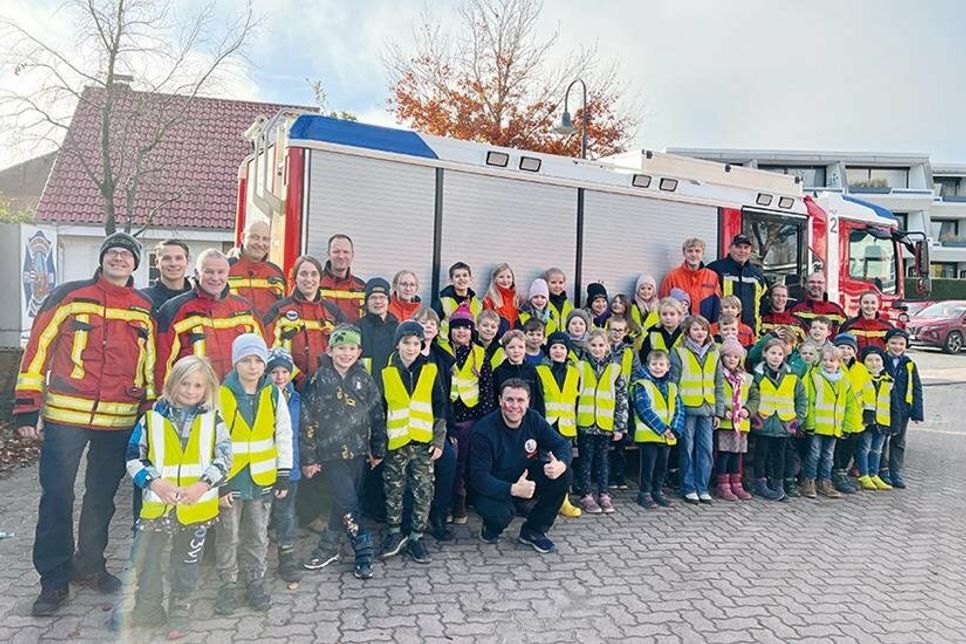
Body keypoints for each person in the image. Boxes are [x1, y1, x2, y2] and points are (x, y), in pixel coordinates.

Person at [16, 232, 155, 617]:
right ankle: (54, 580)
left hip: (120, 418)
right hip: (66, 417)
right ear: (102, 259)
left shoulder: (143, 307)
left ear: (135, 265)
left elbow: (152, 366)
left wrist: (150, 412)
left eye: (127, 256)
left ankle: (90, 566)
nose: (119, 259)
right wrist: (28, 407)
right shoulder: (69, 295)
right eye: (113, 253)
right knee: (57, 496)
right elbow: (37, 349)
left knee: (102, 497)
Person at [116, 356, 230, 638]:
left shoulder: (213, 418)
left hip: (196, 507)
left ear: (207, 388)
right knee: (147, 560)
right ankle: (148, 608)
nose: (191, 391)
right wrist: (153, 483)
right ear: (172, 384)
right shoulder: (151, 418)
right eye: (185, 384)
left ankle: (180, 610)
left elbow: (225, 457)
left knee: (186, 563)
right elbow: (134, 457)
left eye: (198, 386)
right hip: (158, 507)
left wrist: (203, 486)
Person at [214, 334, 293, 615]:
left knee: (258, 535)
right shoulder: (221, 394)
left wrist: (283, 473)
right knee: (228, 535)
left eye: (258, 360)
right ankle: (227, 584)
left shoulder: (273, 393)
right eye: (246, 360)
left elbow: (283, 433)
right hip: (231, 481)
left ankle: (255, 581)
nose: (252, 366)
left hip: (261, 479)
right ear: (236, 362)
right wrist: (219, 484)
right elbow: (211, 439)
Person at [299, 325, 386, 579]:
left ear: (359, 352)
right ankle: (363, 551)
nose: (345, 353)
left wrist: (377, 448)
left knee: (343, 503)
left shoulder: (365, 380)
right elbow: (307, 421)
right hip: (331, 454)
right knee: (347, 501)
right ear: (330, 350)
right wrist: (309, 457)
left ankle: (328, 547)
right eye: (340, 348)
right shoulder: (318, 379)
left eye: (350, 349)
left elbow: (376, 415)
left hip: (359, 452)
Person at [470, 379, 574, 553]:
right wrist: (512, 489)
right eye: (509, 400)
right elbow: (478, 478)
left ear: (528, 402)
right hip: (493, 486)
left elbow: (562, 445)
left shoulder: (533, 418)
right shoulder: (484, 430)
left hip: (525, 478)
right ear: (500, 401)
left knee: (565, 475)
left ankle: (533, 531)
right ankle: (491, 528)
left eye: (520, 400)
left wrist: (560, 465)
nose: (514, 406)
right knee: (501, 514)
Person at [378, 321, 447, 564]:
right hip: (395, 444)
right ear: (397, 344)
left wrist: (439, 439)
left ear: (422, 345)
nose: (411, 348)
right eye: (406, 343)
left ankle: (417, 537)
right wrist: (378, 444)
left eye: (416, 343)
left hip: (422, 444)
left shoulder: (430, 371)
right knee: (393, 490)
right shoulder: (386, 373)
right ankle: (395, 534)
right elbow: (379, 411)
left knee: (423, 491)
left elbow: (440, 407)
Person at [156, 249, 262, 383]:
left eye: (221, 272)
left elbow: (261, 356)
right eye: (209, 272)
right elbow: (163, 364)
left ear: (228, 273)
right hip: (192, 396)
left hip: (237, 397)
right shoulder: (176, 309)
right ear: (196, 273)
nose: (215, 278)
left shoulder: (245, 308)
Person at [411, 307, 460, 540]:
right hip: (411, 426)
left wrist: (448, 430)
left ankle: (438, 514)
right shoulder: (407, 354)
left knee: (448, 464)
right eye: (423, 322)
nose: (428, 326)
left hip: (437, 425)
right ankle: (411, 517)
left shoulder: (442, 357)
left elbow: (446, 398)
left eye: (433, 322)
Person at [263, 255, 345, 386]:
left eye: (314, 274)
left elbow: (345, 350)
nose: (309, 279)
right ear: (295, 278)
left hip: (326, 387)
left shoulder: (334, 313)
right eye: (303, 274)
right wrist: (298, 378)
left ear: (320, 279)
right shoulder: (279, 310)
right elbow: (267, 348)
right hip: (288, 385)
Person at [446, 304, 493, 525]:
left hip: (472, 417)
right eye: (457, 328)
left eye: (465, 328)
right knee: (449, 463)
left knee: (465, 462)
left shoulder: (481, 354)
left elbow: (486, 387)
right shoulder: (443, 351)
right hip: (450, 416)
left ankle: (460, 501)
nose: (461, 332)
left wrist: (484, 420)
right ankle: (447, 502)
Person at [670, 315, 724, 504]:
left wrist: (719, 411)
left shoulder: (714, 352)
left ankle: (702, 487)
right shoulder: (678, 352)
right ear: (687, 332)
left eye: (703, 329)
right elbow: (673, 383)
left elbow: (719, 383)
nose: (700, 333)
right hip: (687, 407)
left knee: (706, 449)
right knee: (687, 448)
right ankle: (688, 486)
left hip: (708, 408)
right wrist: (674, 410)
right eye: (695, 329)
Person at [574, 328, 628, 514]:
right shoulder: (580, 366)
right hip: (585, 422)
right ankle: (586, 494)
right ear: (588, 346)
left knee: (603, 459)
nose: (597, 349)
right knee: (585, 459)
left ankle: (603, 493)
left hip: (605, 422)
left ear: (608, 347)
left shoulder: (616, 368)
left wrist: (619, 426)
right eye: (594, 345)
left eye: (601, 345)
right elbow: (573, 396)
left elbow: (622, 398)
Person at [749, 338, 807, 501]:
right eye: (772, 353)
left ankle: (778, 484)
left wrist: (798, 420)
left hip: (784, 423)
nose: (776, 357)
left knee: (779, 456)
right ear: (764, 354)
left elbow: (802, 399)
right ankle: (760, 484)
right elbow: (752, 396)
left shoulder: (792, 377)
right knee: (761, 454)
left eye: (780, 354)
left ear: (784, 357)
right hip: (763, 422)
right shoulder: (757, 376)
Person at [265, 348, 303, 585]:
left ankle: (286, 558)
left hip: (290, 468)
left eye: (284, 371)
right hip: (263, 468)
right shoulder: (261, 397)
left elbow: (301, 434)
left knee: (286, 514)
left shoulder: (297, 399)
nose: (280, 377)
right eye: (274, 371)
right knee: (260, 517)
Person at [535, 332, 582, 518]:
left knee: (564, 464)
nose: (558, 351)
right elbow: (538, 400)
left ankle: (564, 500)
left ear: (568, 351)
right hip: (548, 426)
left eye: (562, 348)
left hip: (567, 426)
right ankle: (550, 500)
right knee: (546, 464)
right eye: (554, 347)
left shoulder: (575, 372)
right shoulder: (540, 371)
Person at [632, 349, 684, 510]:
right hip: (649, 434)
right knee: (648, 465)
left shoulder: (672, 387)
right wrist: (662, 429)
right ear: (648, 366)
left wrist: (674, 429)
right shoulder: (641, 385)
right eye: (654, 364)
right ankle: (644, 492)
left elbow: (679, 409)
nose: (658, 367)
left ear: (668, 367)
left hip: (668, 435)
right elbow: (644, 410)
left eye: (661, 364)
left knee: (663, 465)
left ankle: (658, 490)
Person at [802, 346, 856, 499]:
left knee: (828, 455)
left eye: (832, 360)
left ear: (839, 362)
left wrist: (847, 425)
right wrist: (809, 423)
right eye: (824, 360)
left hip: (835, 427)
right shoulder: (814, 376)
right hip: (817, 426)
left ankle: (825, 482)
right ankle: (809, 481)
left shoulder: (845, 380)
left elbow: (850, 405)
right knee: (813, 454)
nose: (827, 363)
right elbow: (808, 401)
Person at [880, 328, 923, 488]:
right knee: (882, 439)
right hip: (884, 407)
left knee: (898, 441)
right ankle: (882, 470)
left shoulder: (910, 365)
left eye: (901, 344)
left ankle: (895, 470)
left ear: (906, 346)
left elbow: (916, 388)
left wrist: (917, 412)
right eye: (893, 343)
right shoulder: (881, 360)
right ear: (887, 344)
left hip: (903, 409)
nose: (897, 347)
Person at [714, 339, 757, 501]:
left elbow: (754, 398)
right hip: (726, 423)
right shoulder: (718, 376)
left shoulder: (747, 378)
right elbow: (715, 395)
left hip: (741, 423)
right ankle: (722, 484)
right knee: (724, 454)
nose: (732, 359)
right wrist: (723, 411)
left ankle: (736, 483)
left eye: (736, 357)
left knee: (737, 454)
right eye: (728, 356)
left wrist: (748, 410)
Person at [707, 234, 767, 333]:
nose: (742, 251)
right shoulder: (715, 269)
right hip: (722, 333)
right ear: (730, 248)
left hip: (749, 334)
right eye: (738, 247)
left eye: (746, 248)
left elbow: (763, 304)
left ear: (750, 250)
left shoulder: (757, 275)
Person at [606, 315, 640, 490]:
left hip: (623, 399)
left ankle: (618, 475)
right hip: (604, 398)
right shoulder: (603, 349)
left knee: (620, 441)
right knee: (605, 441)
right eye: (614, 330)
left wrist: (631, 392)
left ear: (626, 331)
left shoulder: (630, 351)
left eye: (621, 330)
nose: (617, 333)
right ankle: (605, 475)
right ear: (608, 330)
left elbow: (636, 373)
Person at [854, 347, 895, 491]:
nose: (874, 363)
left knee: (877, 450)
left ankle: (874, 474)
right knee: (864, 448)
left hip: (883, 421)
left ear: (883, 362)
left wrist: (894, 423)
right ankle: (864, 474)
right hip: (867, 421)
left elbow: (893, 403)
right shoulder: (863, 379)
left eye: (877, 360)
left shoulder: (889, 380)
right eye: (869, 360)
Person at [831, 334, 867, 494]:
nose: (845, 351)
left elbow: (868, 392)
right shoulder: (833, 367)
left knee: (848, 448)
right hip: (837, 416)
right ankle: (835, 475)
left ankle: (842, 473)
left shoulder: (861, 369)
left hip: (855, 417)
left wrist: (869, 413)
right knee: (836, 448)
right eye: (841, 347)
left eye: (849, 348)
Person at [228, 221, 286, 319]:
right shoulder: (225, 270)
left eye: (265, 239)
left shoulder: (277, 274)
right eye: (255, 237)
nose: (260, 243)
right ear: (242, 238)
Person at [659, 237, 722, 320]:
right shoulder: (671, 276)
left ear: (702, 254)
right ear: (684, 253)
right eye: (690, 251)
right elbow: (663, 305)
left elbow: (717, 306)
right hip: (679, 329)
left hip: (703, 329)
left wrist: (712, 330)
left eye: (697, 251)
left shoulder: (712, 276)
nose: (693, 254)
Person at [492, 329, 545, 416]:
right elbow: (494, 400)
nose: (516, 351)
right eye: (511, 347)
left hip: (528, 419)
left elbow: (539, 399)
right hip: (505, 419)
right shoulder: (498, 372)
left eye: (520, 347)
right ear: (505, 350)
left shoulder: (531, 370)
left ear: (525, 349)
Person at [320, 234, 366, 323]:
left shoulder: (361, 287)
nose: (341, 256)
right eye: (336, 252)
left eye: (346, 252)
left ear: (352, 255)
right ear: (328, 254)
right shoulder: (315, 284)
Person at [359, 277, 399, 375]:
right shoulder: (357, 328)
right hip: (366, 384)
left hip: (391, 384)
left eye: (382, 297)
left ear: (388, 300)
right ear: (367, 302)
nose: (378, 301)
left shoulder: (398, 328)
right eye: (373, 297)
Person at [437, 261, 483, 342]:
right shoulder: (442, 301)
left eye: (465, 275)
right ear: (451, 280)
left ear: (471, 279)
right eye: (457, 276)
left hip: (470, 349)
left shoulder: (478, 303)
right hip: (445, 347)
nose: (461, 278)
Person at [141, 239, 193, 311]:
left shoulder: (199, 298)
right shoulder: (143, 299)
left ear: (187, 261)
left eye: (178, 258)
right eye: (167, 258)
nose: (173, 264)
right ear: (156, 263)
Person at [790, 272, 847, 336]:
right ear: (805, 285)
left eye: (819, 282)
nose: (816, 285)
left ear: (825, 286)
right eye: (812, 282)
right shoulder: (797, 309)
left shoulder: (837, 311)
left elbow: (844, 336)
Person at [639, 297, 686, 363]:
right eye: (664, 314)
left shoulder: (686, 333)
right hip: (656, 371)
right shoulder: (652, 333)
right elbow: (643, 358)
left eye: (672, 314)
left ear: (679, 316)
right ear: (659, 316)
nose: (668, 317)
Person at [482, 262, 522, 328]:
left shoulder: (518, 298)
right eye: (501, 277)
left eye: (508, 277)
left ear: (513, 279)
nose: (505, 280)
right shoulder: (489, 300)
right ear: (494, 279)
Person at [630, 274, 661, 345]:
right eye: (642, 288)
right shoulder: (632, 305)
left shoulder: (659, 307)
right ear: (638, 290)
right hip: (636, 343)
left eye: (649, 288)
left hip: (653, 344)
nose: (646, 291)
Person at [544, 267, 574, 335]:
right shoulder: (543, 303)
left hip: (565, 342)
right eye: (553, 282)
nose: (557, 286)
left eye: (561, 282)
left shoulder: (569, 304)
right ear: (546, 283)